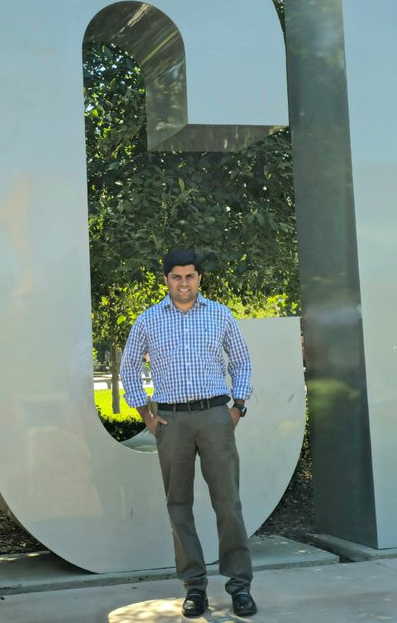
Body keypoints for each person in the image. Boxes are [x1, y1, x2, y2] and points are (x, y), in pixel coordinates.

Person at [119, 248, 256, 618]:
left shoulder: (220, 314)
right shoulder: (148, 320)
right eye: (176, 277)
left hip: (215, 417)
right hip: (172, 422)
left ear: (199, 278)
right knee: (178, 505)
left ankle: (240, 586)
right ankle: (194, 587)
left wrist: (238, 408)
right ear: (166, 279)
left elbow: (242, 361)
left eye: (190, 276)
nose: (183, 283)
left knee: (228, 503)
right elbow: (128, 368)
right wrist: (147, 415)